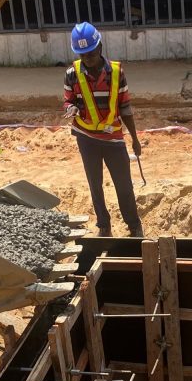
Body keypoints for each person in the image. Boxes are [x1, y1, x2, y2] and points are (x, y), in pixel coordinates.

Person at [64, 22, 144, 238]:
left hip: (113, 139)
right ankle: (104, 225)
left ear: (100, 48)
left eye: (90, 53)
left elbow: (125, 107)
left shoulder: (116, 73)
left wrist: (135, 139)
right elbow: (68, 100)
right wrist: (70, 108)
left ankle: (134, 225)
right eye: (83, 55)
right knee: (95, 185)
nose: (87, 59)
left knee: (124, 185)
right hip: (86, 138)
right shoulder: (72, 74)